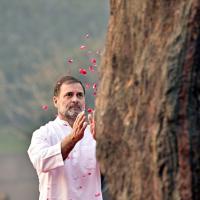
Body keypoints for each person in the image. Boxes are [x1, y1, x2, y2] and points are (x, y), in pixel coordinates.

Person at [28, 75, 103, 200]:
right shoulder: (43, 134)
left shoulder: (95, 133)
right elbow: (41, 162)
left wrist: (103, 146)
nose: (75, 99)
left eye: (79, 95)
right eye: (69, 95)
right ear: (55, 101)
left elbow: (114, 172)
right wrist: (72, 139)